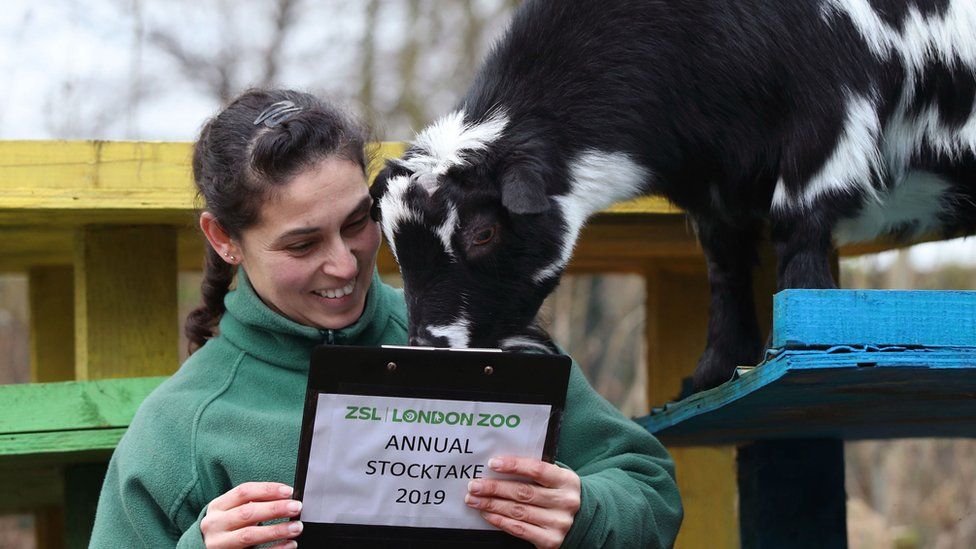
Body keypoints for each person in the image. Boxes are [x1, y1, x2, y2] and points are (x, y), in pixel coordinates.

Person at [90, 88, 683, 548]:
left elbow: (648, 487)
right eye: (302, 246)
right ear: (224, 239)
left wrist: (585, 512)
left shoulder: (476, 339)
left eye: (357, 222)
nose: (344, 265)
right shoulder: (180, 431)